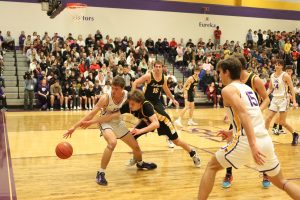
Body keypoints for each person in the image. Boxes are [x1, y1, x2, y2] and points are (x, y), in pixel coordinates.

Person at [198, 57, 300, 200]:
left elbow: (244, 113)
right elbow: (254, 115)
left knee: (211, 166)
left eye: (220, 72)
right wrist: (232, 131)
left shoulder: (228, 90)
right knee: (282, 183)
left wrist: (252, 144)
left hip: (247, 142)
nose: (219, 75)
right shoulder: (247, 88)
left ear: (227, 72)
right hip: (265, 141)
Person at [63, 77, 157, 186]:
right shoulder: (105, 98)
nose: (113, 91)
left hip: (118, 122)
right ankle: (100, 173)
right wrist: (74, 127)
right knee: (112, 143)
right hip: (104, 122)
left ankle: (140, 164)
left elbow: (138, 101)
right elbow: (91, 114)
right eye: (112, 88)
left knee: (135, 146)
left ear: (122, 89)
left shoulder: (127, 95)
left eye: (116, 89)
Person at [81, 89, 201, 167]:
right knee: (133, 136)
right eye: (130, 103)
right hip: (146, 120)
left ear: (140, 103)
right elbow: (111, 116)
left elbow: (156, 124)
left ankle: (193, 153)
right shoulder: (129, 105)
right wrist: (91, 121)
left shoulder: (147, 106)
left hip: (163, 122)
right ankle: (137, 159)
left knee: (176, 141)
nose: (130, 106)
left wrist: (140, 130)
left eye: (133, 104)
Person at [222, 54, 271, 189]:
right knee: (229, 142)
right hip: (238, 118)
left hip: (252, 120)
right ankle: (228, 173)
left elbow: (267, 99)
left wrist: (257, 111)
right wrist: (228, 114)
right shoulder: (232, 82)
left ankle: (265, 172)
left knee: (258, 145)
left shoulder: (254, 80)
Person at [132, 60, 179, 148]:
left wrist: (173, 99)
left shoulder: (164, 78)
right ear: (153, 67)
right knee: (147, 121)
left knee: (166, 117)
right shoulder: (148, 76)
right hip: (146, 101)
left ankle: (169, 137)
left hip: (156, 101)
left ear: (162, 68)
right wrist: (132, 96)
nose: (157, 68)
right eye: (156, 67)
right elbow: (135, 83)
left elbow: (166, 89)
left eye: (159, 67)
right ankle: (134, 136)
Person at [265, 59, 299, 146]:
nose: (277, 66)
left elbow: (291, 88)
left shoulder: (285, 75)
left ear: (282, 66)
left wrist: (294, 101)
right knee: (268, 118)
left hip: (283, 100)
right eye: (276, 64)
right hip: (274, 99)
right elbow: (270, 88)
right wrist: (264, 95)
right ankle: (264, 137)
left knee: (282, 122)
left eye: (279, 64)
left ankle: (295, 134)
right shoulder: (272, 75)